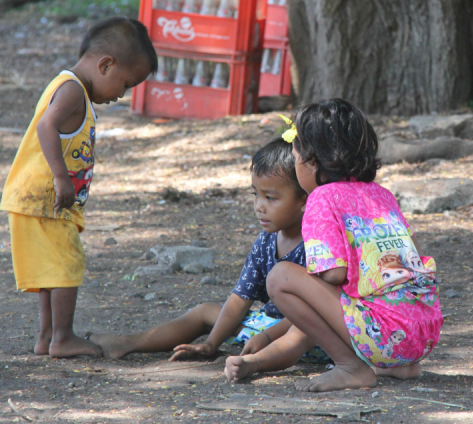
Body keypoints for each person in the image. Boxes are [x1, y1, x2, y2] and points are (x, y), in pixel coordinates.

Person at [88, 138, 328, 380]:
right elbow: (240, 298)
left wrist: (266, 337)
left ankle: (253, 363)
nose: (259, 206)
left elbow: (317, 312)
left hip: (308, 334)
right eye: (256, 194)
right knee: (206, 312)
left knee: (303, 330)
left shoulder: (317, 244)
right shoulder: (266, 240)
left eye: (271, 198)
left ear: (304, 200)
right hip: (264, 327)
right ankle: (128, 343)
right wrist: (211, 344)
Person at [0, 17, 157, 357]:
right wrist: (60, 177)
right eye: (125, 84)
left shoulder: (71, 87)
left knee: (50, 271)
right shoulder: (72, 91)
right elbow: (47, 126)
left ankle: (47, 338)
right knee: (67, 265)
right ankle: (63, 338)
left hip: (36, 197)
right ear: (105, 65)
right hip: (47, 196)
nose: (121, 95)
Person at [266, 99, 443, 392]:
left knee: (280, 278)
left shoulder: (322, 199)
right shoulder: (382, 194)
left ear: (311, 162)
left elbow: (334, 274)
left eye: (295, 157)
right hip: (423, 334)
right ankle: (404, 367)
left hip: (385, 336)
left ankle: (350, 367)